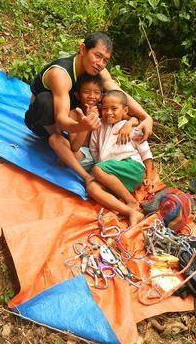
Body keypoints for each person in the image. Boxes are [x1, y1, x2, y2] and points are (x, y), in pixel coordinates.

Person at [24, 32, 153, 184]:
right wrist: (80, 126)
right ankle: (61, 146)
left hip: (72, 117)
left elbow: (117, 92)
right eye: (97, 56)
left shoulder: (97, 70)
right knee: (45, 101)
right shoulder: (60, 74)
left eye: (105, 60)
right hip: (42, 121)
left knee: (105, 98)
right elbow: (60, 118)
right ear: (83, 49)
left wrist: (146, 117)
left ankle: (72, 146)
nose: (100, 63)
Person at [86, 90, 154, 226]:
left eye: (114, 108)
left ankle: (131, 202)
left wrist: (150, 176)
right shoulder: (98, 127)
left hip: (132, 168)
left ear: (125, 110)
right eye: (104, 108)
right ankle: (130, 212)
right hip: (113, 176)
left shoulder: (130, 127)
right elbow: (94, 150)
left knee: (97, 170)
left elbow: (146, 152)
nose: (108, 112)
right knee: (92, 187)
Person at [51, 73, 140, 174]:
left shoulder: (105, 111)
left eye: (96, 92)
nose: (92, 96)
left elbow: (135, 119)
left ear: (101, 96)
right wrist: (87, 122)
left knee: (63, 158)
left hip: (105, 157)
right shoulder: (74, 114)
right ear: (77, 95)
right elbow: (75, 147)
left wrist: (128, 125)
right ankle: (85, 175)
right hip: (83, 156)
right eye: (86, 92)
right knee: (55, 139)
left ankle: (70, 163)